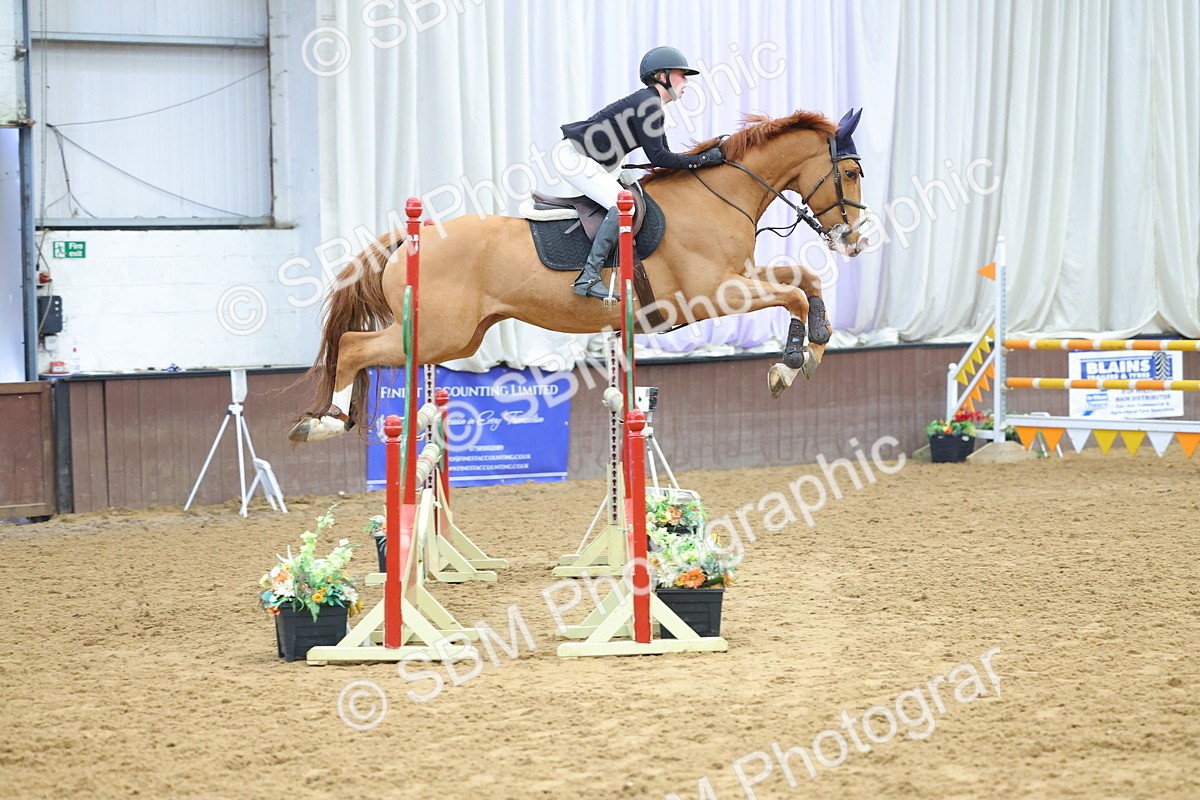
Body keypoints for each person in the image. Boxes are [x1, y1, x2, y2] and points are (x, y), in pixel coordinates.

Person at [556, 46, 725, 301]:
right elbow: (659, 158)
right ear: (663, 76)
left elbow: (664, 156)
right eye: (682, 74)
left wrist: (700, 160)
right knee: (625, 207)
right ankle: (589, 275)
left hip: (590, 160)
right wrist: (703, 159)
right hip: (574, 158)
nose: (687, 81)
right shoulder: (648, 104)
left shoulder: (653, 105)